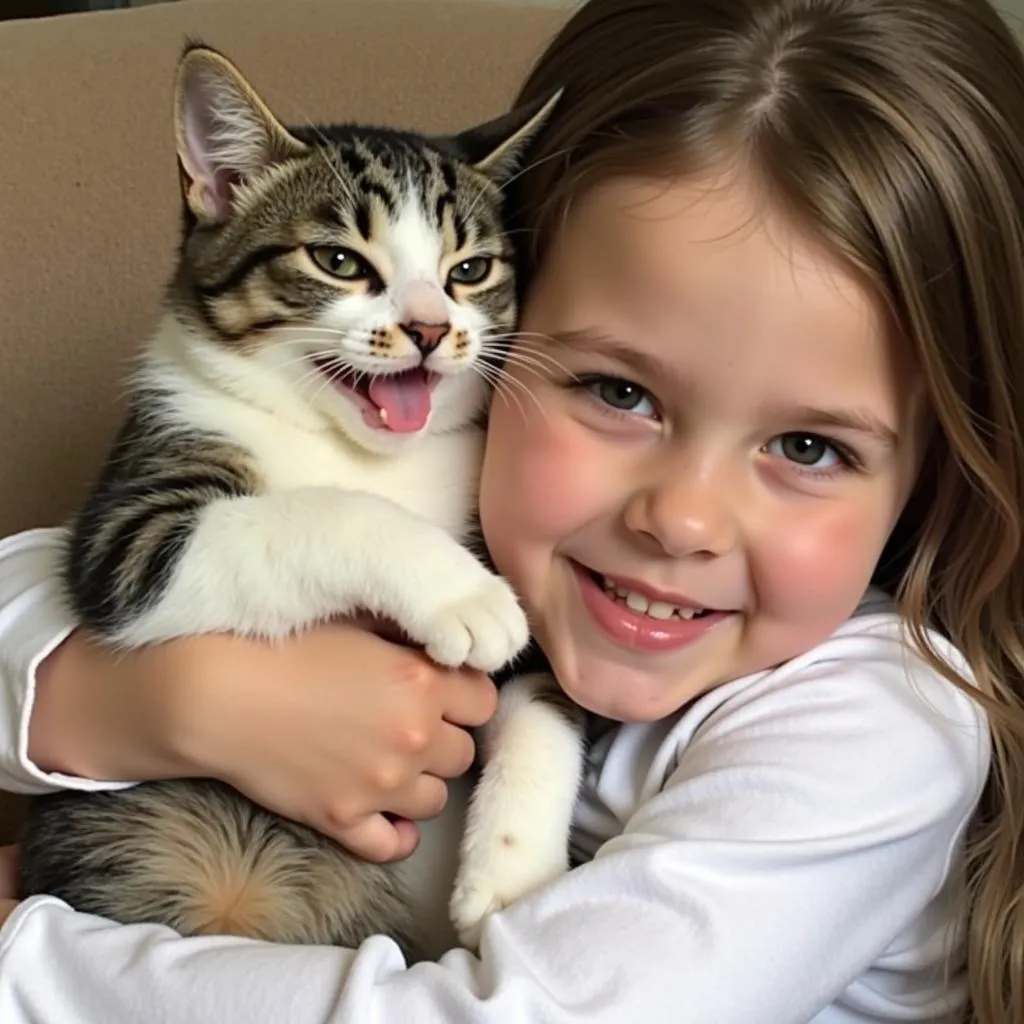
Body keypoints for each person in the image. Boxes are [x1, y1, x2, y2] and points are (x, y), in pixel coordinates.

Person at [1, 0, 1022, 1020]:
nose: (682, 521)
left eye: (809, 446)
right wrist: (143, 702)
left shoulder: (880, 725)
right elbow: (50, 574)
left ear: (938, 466)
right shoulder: (468, 489)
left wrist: (26, 962)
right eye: (618, 392)